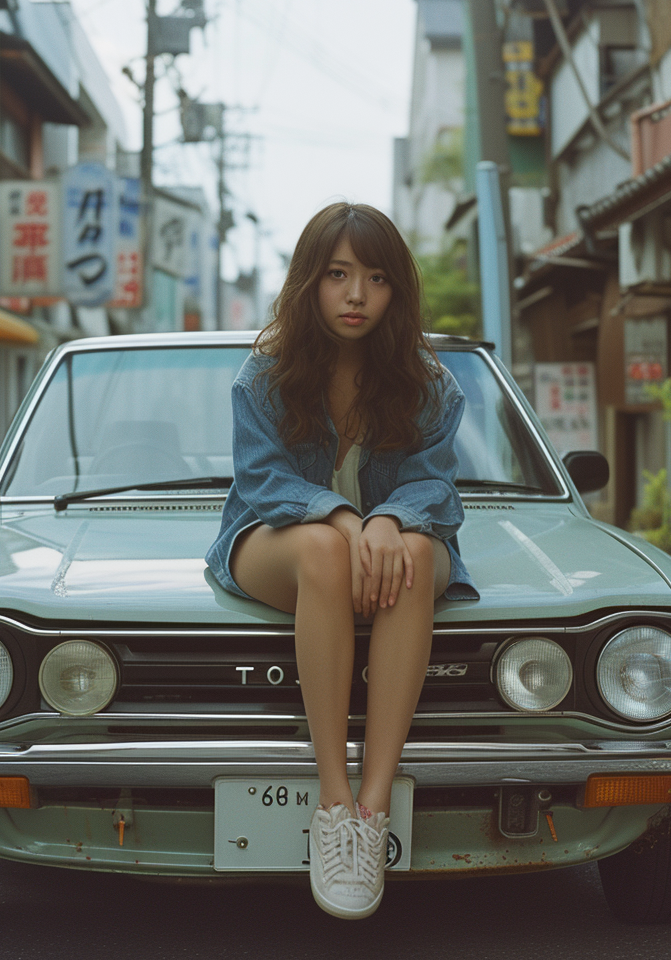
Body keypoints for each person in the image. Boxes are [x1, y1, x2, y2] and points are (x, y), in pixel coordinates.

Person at [205, 202, 477, 919]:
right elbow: (263, 483)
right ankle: (332, 804)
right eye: (338, 275)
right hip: (280, 544)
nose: (357, 295)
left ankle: (371, 810)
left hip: (400, 551)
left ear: (396, 292)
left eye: (377, 278)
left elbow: (436, 488)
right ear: (310, 282)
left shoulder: (430, 382)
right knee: (328, 545)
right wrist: (350, 517)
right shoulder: (263, 376)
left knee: (415, 550)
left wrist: (391, 518)